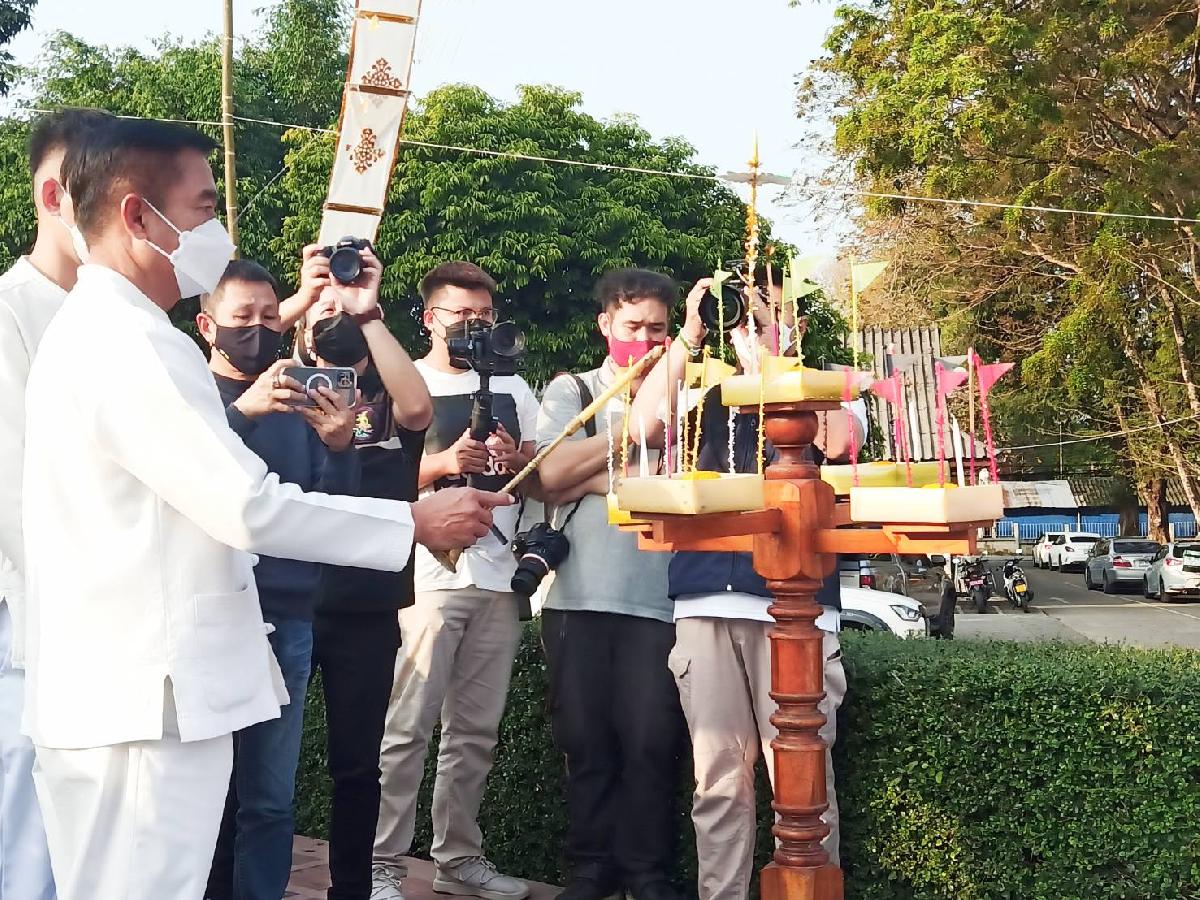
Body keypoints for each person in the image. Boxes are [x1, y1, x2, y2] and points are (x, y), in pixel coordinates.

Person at [21, 116, 508, 900]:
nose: (216, 232)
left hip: (128, 692)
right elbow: (247, 506)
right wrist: (413, 521)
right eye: (203, 208)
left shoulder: (112, 330)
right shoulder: (129, 341)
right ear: (139, 216)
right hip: (144, 699)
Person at [630, 280, 859, 900]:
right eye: (743, 316)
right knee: (718, 780)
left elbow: (839, 442)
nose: (749, 327)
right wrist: (689, 334)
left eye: (766, 314)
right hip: (706, 599)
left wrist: (777, 356)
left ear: (796, 323)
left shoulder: (820, 384)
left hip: (798, 609)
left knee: (803, 779)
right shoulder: (706, 389)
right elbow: (642, 426)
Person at [372, 262, 538, 900]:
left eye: (484, 315)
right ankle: (382, 863)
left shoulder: (514, 388)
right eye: (461, 314)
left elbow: (539, 474)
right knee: (407, 727)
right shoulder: (403, 380)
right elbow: (371, 477)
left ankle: (458, 857)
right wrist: (443, 462)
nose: (474, 325)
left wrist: (516, 457)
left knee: (474, 732)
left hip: (496, 574)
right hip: (426, 578)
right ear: (429, 318)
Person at [198, 260, 360, 900]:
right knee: (201, 792)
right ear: (207, 325)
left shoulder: (301, 397)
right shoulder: (188, 393)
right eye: (243, 317)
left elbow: (332, 510)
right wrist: (243, 412)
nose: (259, 329)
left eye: (271, 316)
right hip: (208, 615)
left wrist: (341, 445)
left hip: (286, 616)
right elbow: (194, 478)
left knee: (269, 798)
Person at [534, 269, 687, 900]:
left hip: (662, 602)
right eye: (632, 326)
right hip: (579, 595)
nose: (644, 340)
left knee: (653, 743)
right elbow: (548, 476)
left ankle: (647, 872)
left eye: (657, 329)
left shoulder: (690, 397)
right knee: (585, 742)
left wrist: (594, 472)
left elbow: (687, 486)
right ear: (605, 324)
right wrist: (632, 438)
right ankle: (590, 868)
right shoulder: (573, 389)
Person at [294, 248, 437, 900]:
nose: (335, 314)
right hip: (290, 601)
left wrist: (368, 313)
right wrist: (303, 304)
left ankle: (351, 888)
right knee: (260, 760)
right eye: (322, 306)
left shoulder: (386, 400)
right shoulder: (283, 392)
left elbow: (419, 409)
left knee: (356, 766)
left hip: (367, 607)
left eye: (342, 307)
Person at [0, 106, 112, 900]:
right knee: (28, 831)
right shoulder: (11, 313)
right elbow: (17, 491)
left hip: (104, 617)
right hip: (34, 617)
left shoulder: (117, 317)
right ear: (55, 197)